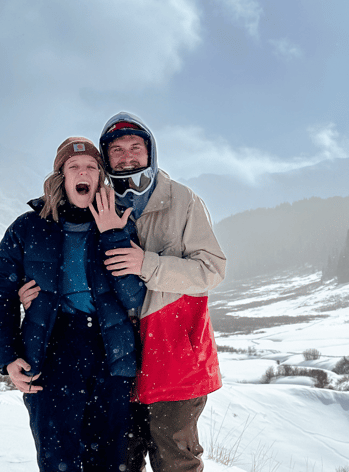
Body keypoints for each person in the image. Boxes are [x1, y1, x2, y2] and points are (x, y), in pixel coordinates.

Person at [21, 112, 227, 472]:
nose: (127, 156)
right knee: (121, 462)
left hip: (175, 355)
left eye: (136, 146)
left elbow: (212, 270)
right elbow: (70, 264)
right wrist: (40, 294)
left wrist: (145, 264)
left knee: (174, 462)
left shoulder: (183, 201)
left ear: (151, 152)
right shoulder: (97, 201)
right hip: (119, 361)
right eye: (116, 150)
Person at [0, 137, 145, 472]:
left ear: (100, 177)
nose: (83, 172)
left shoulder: (119, 224)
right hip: (50, 353)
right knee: (58, 461)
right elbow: (2, 292)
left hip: (111, 355)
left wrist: (112, 236)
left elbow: (135, 297)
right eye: (74, 167)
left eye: (91, 166)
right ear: (61, 176)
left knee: (112, 462)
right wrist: (7, 356)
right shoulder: (26, 228)